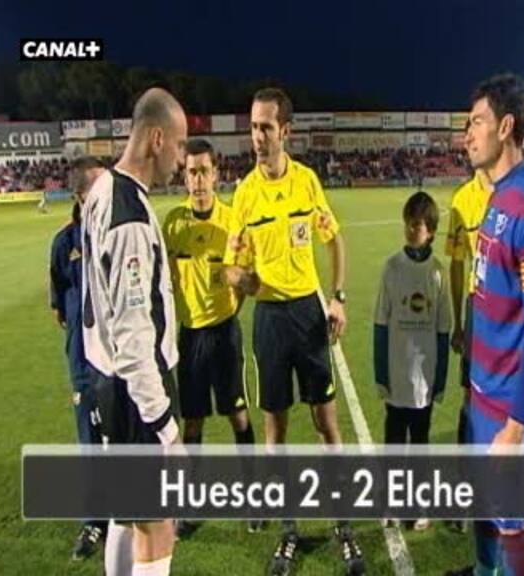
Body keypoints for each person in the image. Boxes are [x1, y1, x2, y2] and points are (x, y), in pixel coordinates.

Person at [223, 87, 364, 576]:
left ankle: (343, 525)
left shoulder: (307, 183)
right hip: (269, 320)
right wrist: (239, 278)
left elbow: (335, 241)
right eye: (253, 127)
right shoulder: (244, 194)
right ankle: (288, 531)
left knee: (327, 424)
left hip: (307, 315)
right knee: (275, 431)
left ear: (285, 130)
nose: (257, 136)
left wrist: (337, 297)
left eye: (265, 127)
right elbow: (232, 265)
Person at [445, 73, 524, 576]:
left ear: (506, 126)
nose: (467, 134)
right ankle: (481, 570)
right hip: (481, 392)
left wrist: (516, 426)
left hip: (510, 407)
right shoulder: (497, 196)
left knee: (513, 522)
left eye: (476, 122)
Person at [82, 87, 187, 576]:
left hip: (108, 381)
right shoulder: (130, 216)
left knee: (126, 515)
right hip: (136, 392)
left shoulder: (102, 189)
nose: (181, 160)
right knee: (157, 524)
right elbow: (133, 335)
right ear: (157, 139)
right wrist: (165, 425)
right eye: (180, 146)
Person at [161, 138, 259, 536]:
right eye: (191, 172)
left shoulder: (233, 222)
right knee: (193, 423)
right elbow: (163, 281)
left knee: (238, 415)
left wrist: (237, 294)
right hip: (190, 338)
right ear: (184, 177)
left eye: (204, 171)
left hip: (225, 333)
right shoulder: (173, 225)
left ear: (216, 174)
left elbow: (249, 279)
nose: (198, 179)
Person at [373, 190, 451, 531]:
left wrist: (441, 379)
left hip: (424, 379)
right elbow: (380, 324)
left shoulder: (438, 273)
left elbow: (443, 330)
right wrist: (381, 373)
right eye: (408, 223)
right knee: (393, 442)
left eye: (417, 225)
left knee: (420, 443)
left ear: (430, 230)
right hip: (396, 375)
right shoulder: (392, 268)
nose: (410, 230)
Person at [49, 156, 107, 560]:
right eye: (99, 188)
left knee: (121, 439)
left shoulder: (115, 235)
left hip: (116, 362)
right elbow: (59, 309)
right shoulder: (63, 244)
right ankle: (93, 521)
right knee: (89, 441)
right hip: (83, 362)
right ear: (80, 195)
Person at [445, 157, 493, 534]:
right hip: (478, 308)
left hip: (510, 311)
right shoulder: (462, 200)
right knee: (470, 398)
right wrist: (460, 322)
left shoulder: (516, 195)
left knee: (509, 403)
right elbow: (457, 264)